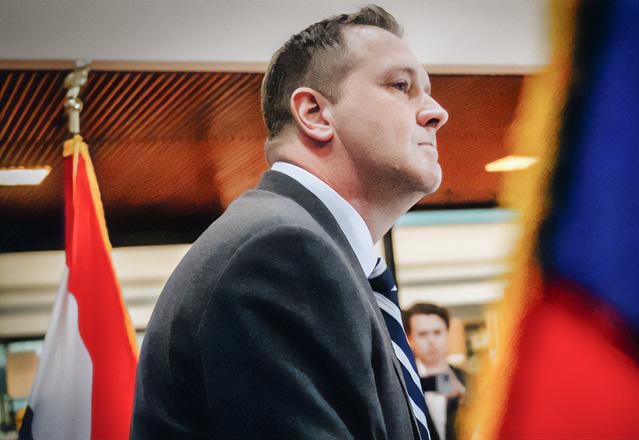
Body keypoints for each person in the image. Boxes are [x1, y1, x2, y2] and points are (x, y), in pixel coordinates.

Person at [130, 4, 448, 439]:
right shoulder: (281, 252)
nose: (436, 112)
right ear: (315, 114)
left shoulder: (302, 246)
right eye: (400, 85)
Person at [403, 303, 468, 440]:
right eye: (423, 334)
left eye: (437, 332)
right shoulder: (403, 382)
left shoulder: (468, 379)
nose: (432, 341)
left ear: (447, 333)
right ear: (410, 338)